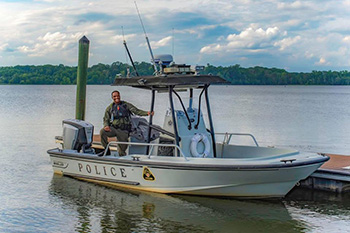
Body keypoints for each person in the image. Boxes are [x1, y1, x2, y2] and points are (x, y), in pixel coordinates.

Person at [100, 90, 154, 156]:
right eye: (114, 96)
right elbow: (106, 119)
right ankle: (106, 149)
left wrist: (147, 113)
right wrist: (106, 125)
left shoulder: (126, 105)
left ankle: (122, 159)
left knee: (121, 151)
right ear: (112, 97)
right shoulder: (110, 108)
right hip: (114, 128)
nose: (116, 97)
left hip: (123, 130)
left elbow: (136, 111)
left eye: (118, 95)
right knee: (102, 132)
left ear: (120, 96)